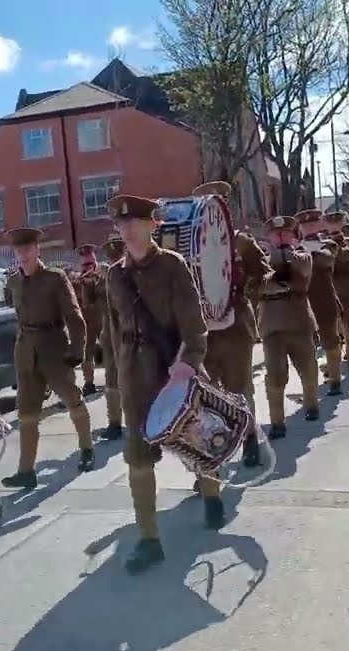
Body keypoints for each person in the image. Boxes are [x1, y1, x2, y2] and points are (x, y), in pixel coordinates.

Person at [102, 193, 222, 574]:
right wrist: (113, 377)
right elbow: (113, 331)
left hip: (173, 370)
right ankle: (149, 538)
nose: (127, 228)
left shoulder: (172, 266)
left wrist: (188, 363)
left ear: (153, 224)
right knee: (138, 458)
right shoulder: (114, 275)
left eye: (135, 221)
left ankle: (211, 492)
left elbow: (194, 325)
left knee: (195, 440)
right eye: (121, 223)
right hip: (134, 378)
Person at [3, 227, 96, 490]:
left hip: (54, 346)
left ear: (37, 249)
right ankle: (26, 470)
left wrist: (77, 350)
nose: (23, 254)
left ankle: (87, 449)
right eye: (18, 250)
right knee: (26, 411)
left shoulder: (55, 278)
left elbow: (74, 316)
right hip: (26, 351)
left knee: (71, 397)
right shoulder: (14, 281)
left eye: (27, 249)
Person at [198, 182, 270, 471]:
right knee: (204, 396)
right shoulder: (192, 241)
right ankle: (210, 455)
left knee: (239, 390)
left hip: (235, 326)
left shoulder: (241, 242)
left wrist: (242, 293)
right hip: (202, 331)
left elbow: (262, 273)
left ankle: (250, 440)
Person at [259, 215, 320, 438]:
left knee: (308, 369)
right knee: (275, 376)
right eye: (276, 235)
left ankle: (312, 405)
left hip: (299, 323)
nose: (281, 238)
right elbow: (255, 285)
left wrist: (274, 279)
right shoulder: (261, 260)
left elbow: (301, 270)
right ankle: (277, 422)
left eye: (285, 234)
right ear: (269, 238)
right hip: (272, 328)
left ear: (294, 237)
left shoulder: (303, 256)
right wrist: (275, 283)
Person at [297, 209, 345, 395]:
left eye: (313, 223)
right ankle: (310, 388)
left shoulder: (328, 244)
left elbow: (326, 260)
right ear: (300, 228)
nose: (309, 227)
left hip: (325, 300)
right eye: (305, 225)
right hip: (303, 304)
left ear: (320, 225)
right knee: (306, 347)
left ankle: (335, 380)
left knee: (331, 341)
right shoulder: (296, 250)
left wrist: (304, 254)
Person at [325, 213, 349, 375]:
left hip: (347, 287)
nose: (334, 228)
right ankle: (334, 363)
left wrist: (333, 246)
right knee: (333, 328)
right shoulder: (322, 243)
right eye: (331, 225)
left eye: (336, 225)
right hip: (330, 288)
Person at [97, 234, 126, 440]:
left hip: (130, 338)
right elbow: (89, 302)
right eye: (110, 257)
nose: (112, 261)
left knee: (136, 383)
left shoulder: (130, 274)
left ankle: (142, 423)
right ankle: (114, 423)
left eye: (116, 257)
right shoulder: (104, 279)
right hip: (109, 337)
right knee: (111, 383)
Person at [73, 244, 108, 396]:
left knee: (111, 350)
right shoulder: (76, 279)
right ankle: (89, 383)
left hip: (104, 320)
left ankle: (114, 379)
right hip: (86, 323)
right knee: (87, 354)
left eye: (91, 263)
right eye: (85, 264)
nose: (88, 267)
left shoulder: (104, 274)